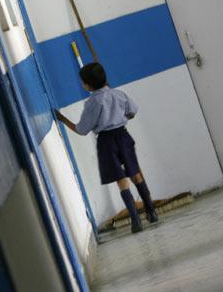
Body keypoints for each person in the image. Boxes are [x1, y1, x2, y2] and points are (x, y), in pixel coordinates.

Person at [55, 62, 158, 233]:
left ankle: (135, 220)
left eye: (82, 82)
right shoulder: (118, 94)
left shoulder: (92, 103)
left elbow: (81, 130)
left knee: (121, 179)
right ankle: (151, 211)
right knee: (135, 173)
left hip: (106, 142)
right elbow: (132, 112)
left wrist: (62, 119)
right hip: (123, 136)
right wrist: (120, 118)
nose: (82, 85)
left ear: (88, 85)